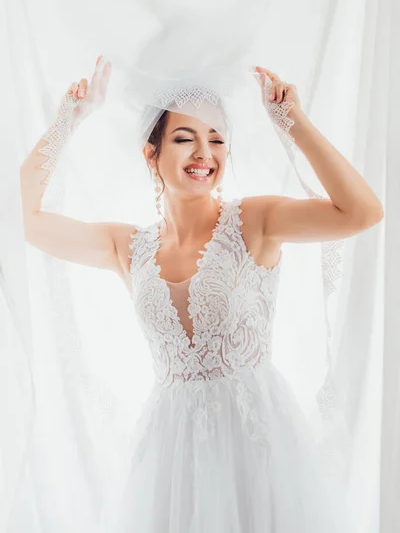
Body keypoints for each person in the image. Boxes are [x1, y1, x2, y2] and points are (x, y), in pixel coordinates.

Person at [19, 55, 384, 531]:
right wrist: (70, 119)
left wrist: (295, 123)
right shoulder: (127, 247)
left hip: (258, 447)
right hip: (171, 458)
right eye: (185, 138)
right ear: (151, 154)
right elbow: (21, 217)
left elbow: (362, 212)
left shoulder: (255, 221)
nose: (204, 154)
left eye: (216, 140)